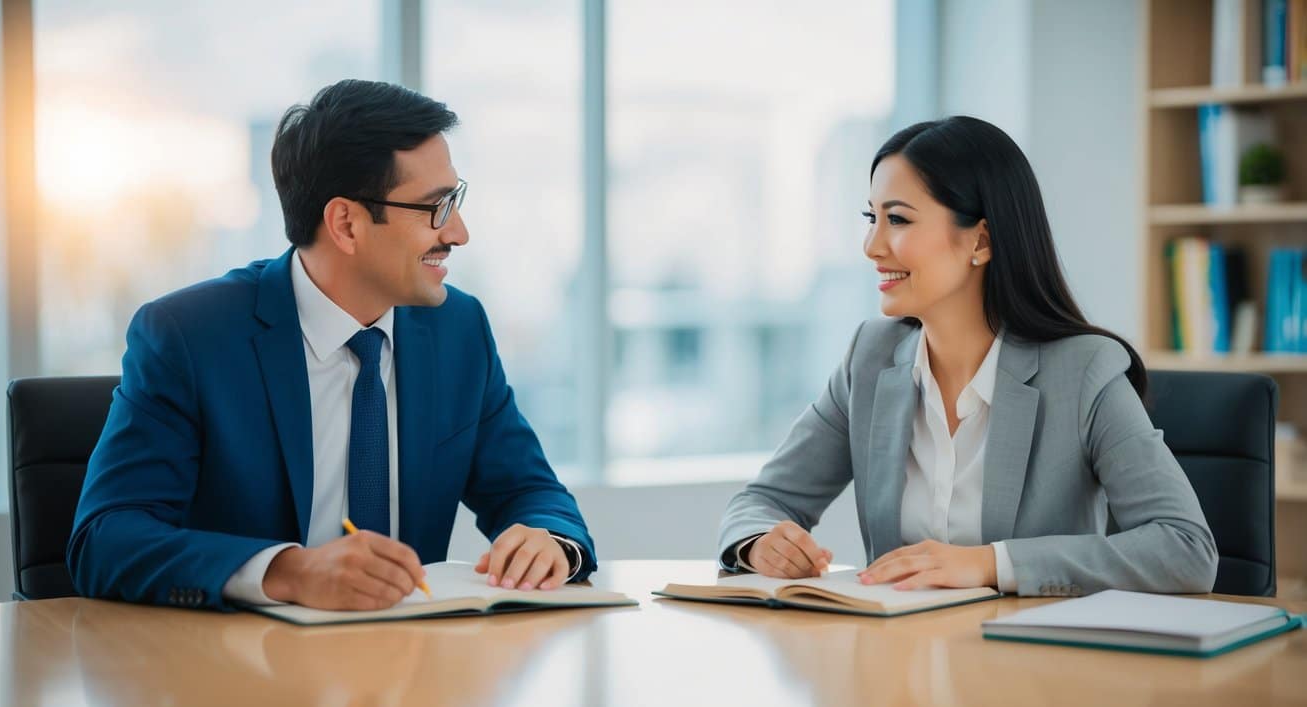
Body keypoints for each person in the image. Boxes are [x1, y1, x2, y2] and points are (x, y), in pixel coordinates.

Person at [69, 79, 595, 611]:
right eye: (436, 207)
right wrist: (290, 572)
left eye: (455, 201)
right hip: (238, 671)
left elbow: (530, 491)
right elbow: (106, 539)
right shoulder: (188, 336)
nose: (458, 232)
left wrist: (548, 539)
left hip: (410, 672)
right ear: (346, 223)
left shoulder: (459, 330)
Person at [717, 116, 1216, 596]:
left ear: (980, 239)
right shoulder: (869, 358)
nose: (872, 245)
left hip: (1037, 670)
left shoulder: (1084, 372)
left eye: (897, 219)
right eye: (872, 218)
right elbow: (764, 501)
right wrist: (760, 544)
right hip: (899, 668)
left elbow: (1186, 547)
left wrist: (990, 565)